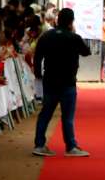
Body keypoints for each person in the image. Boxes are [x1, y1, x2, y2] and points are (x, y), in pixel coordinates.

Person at [32, 8, 92, 157]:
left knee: (45, 113)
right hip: (68, 82)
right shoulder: (74, 38)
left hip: (50, 80)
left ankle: (39, 144)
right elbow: (86, 51)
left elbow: (37, 56)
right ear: (71, 22)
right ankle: (70, 146)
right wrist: (75, 32)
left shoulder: (46, 36)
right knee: (67, 116)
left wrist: (38, 74)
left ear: (57, 20)